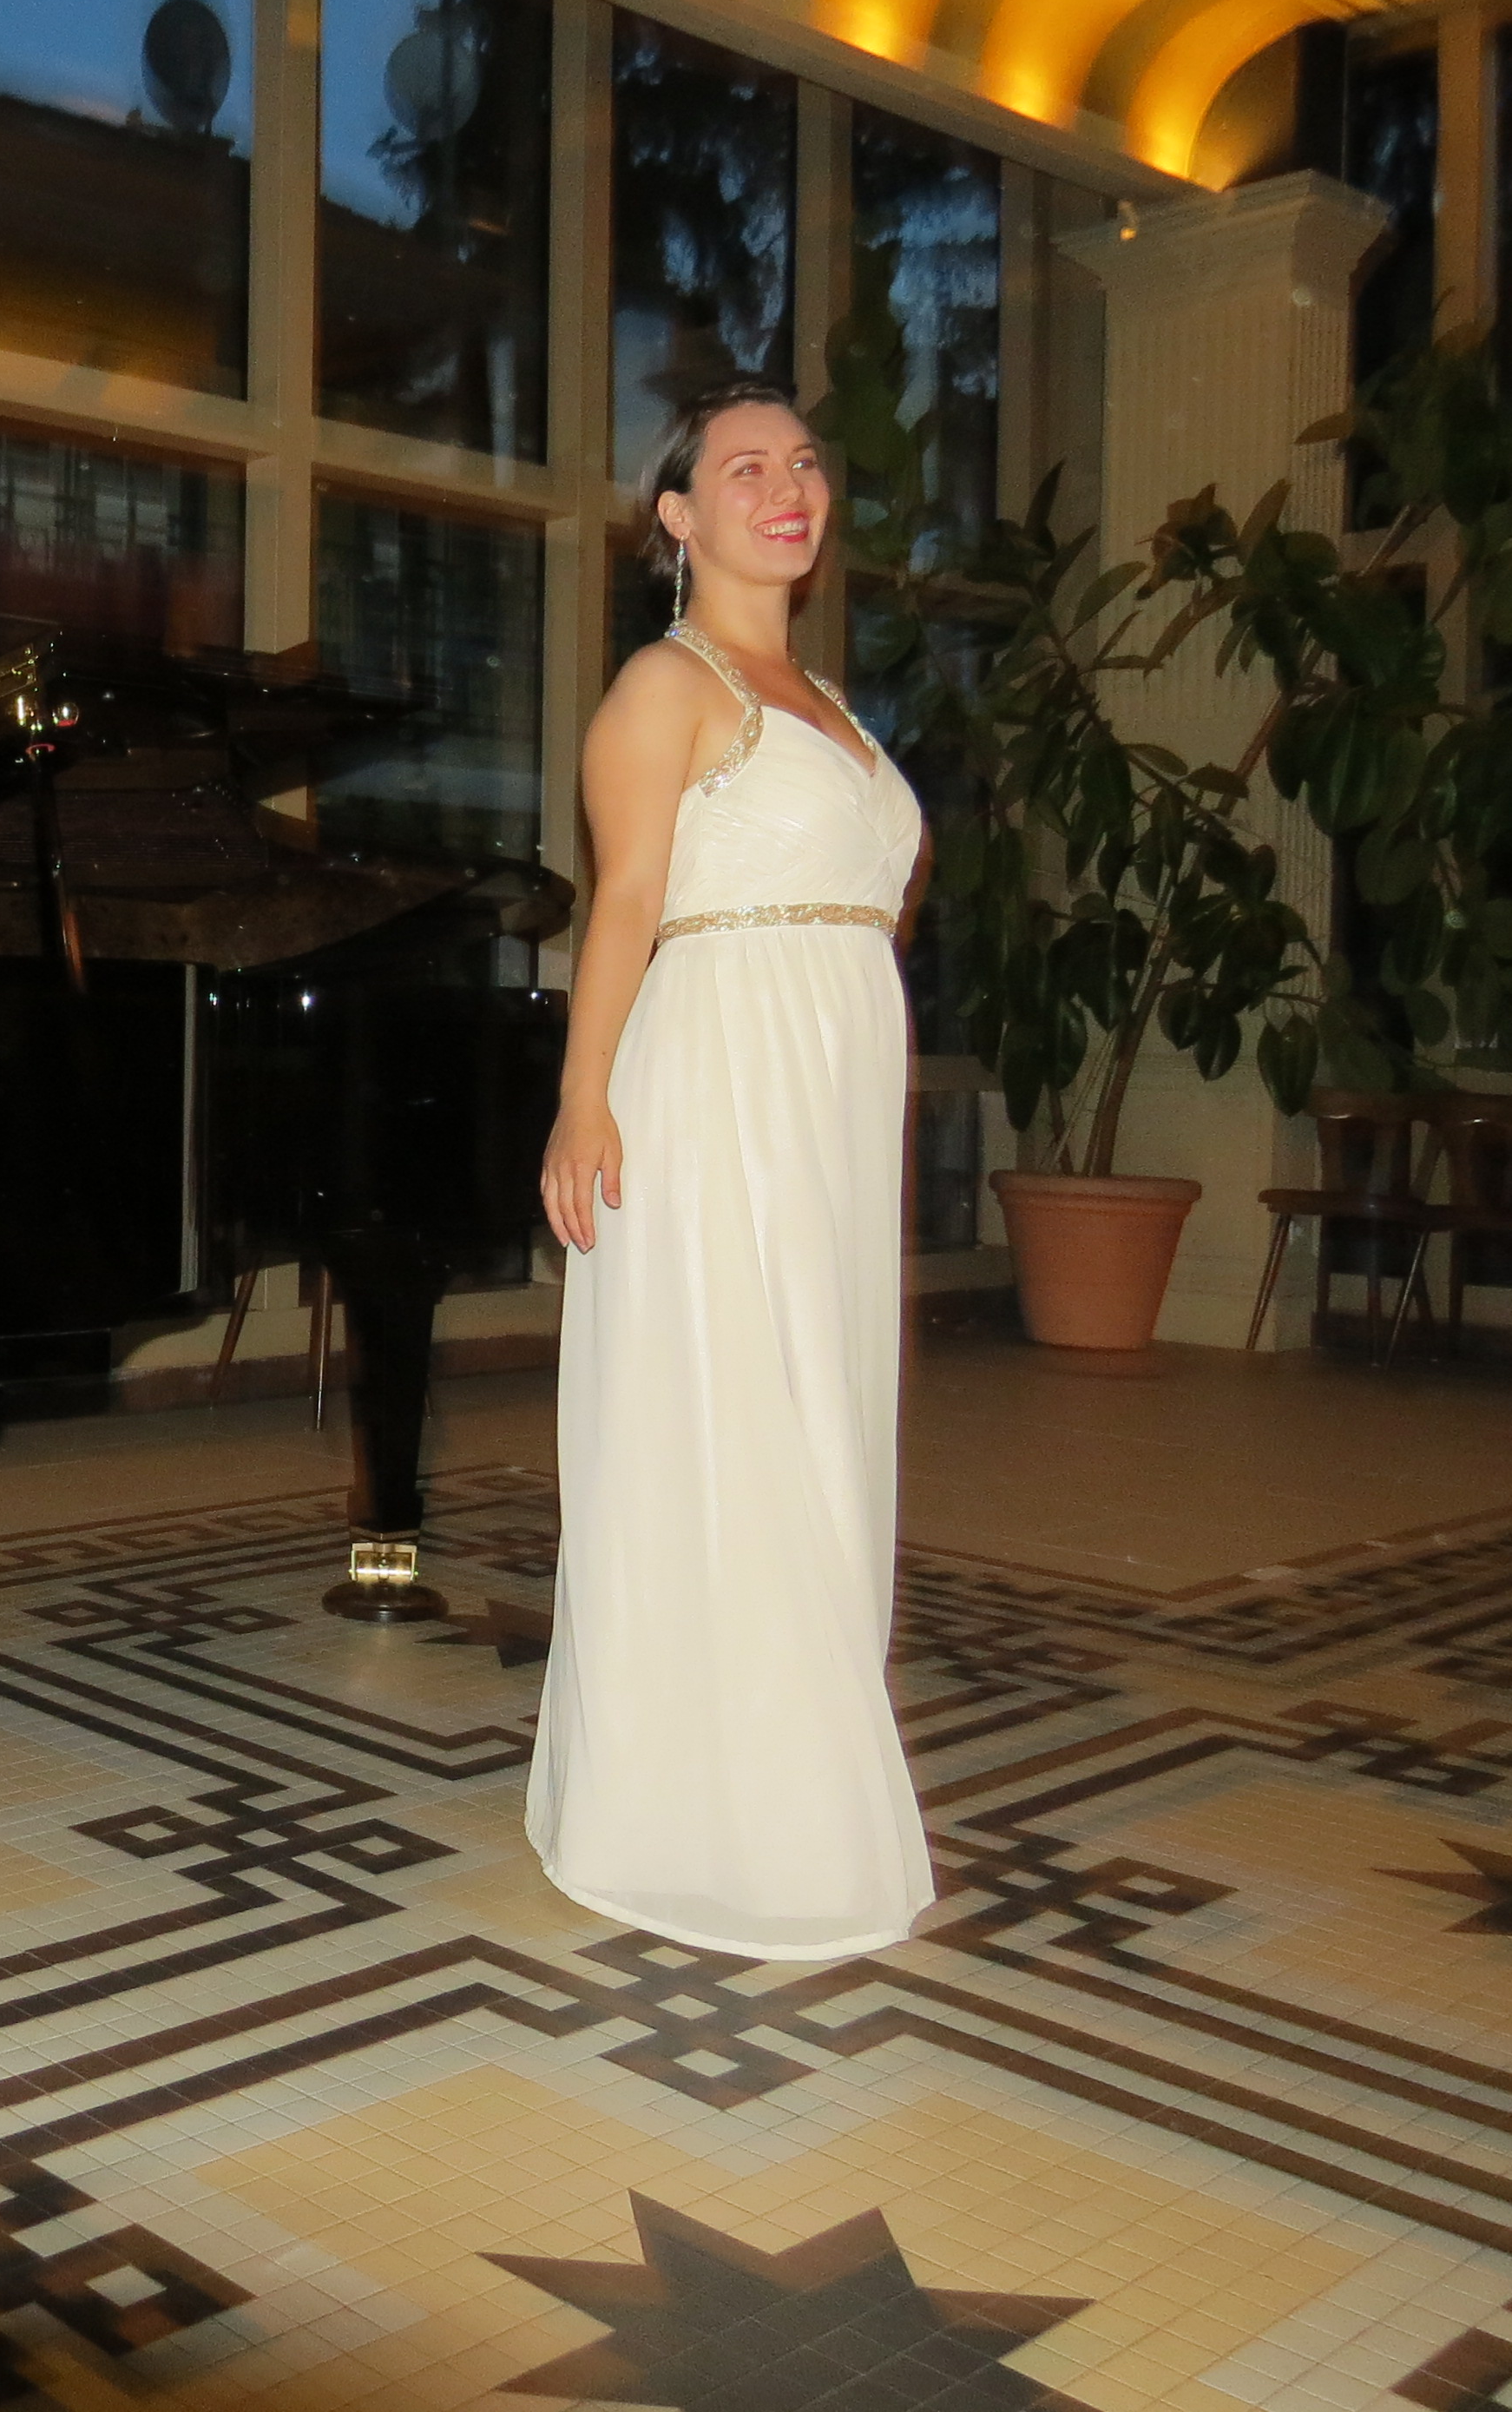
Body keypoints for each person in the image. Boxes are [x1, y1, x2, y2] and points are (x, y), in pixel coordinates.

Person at [525, 379, 936, 1960]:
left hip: (825, 1100)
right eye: (746, 467)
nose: (788, 486)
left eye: (806, 463)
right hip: (716, 1092)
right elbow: (625, 901)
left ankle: (790, 1777)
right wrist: (583, 1101)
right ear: (680, 518)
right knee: (735, 1425)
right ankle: (711, 1817)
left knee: (821, 1418)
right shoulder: (665, 684)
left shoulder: (826, 700)